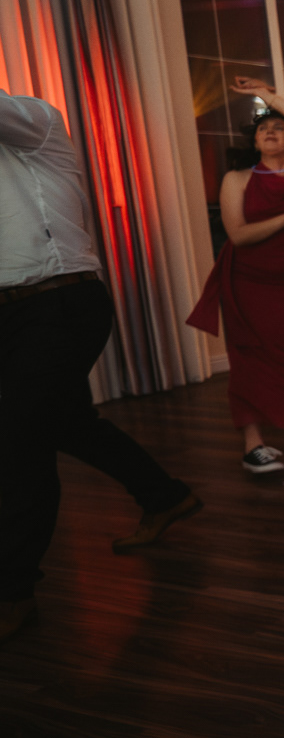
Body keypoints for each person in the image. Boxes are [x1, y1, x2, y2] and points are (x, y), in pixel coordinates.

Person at [1, 89, 200, 643]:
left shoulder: (35, 118)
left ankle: (13, 593)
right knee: (66, 423)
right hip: (11, 314)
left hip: (57, 302)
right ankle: (164, 496)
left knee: (18, 443)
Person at [185, 81, 284, 474]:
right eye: (262, 129)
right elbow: (238, 235)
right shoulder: (237, 179)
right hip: (250, 281)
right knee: (251, 358)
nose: (269, 131)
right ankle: (253, 445)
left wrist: (269, 98)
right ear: (254, 143)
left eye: (278, 128)